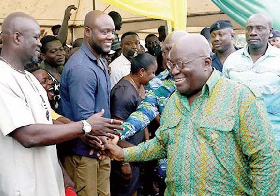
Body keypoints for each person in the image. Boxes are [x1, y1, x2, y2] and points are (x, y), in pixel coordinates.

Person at [106, 34, 279, 195]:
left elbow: (265, 161)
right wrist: (123, 154)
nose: (173, 71)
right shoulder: (173, 100)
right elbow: (163, 144)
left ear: (206, 63)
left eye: (181, 64)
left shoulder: (241, 98)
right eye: (171, 64)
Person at [0, 12, 121, 196]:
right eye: (36, 37)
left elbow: (47, 126)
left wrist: (62, 175)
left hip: (48, 184)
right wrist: (85, 126)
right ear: (17, 37)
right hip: (21, 188)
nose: (40, 43)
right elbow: (27, 135)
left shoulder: (29, 79)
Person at [59, 10, 116, 196]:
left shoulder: (97, 61)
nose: (110, 37)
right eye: (104, 32)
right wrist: (106, 142)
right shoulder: (81, 68)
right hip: (83, 155)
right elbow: (86, 121)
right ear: (88, 32)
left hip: (99, 151)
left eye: (112, 32)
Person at [223, 13, 280, 150]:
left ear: (270, 31)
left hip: (273, 140)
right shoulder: (232, 60)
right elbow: (223, 98)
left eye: (259, 28)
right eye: (249, 28)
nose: (253, 33)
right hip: (238, 140)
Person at [119, 30, 188, 140]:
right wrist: (116, 135)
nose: (168, 56)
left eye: (173, 50)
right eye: (165, 51)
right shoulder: (157, 83)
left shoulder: (210, 82)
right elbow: (144, 113)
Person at [110, 53, 157, 196]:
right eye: (152, 73)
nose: (154, 76)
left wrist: (146, 145)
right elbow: (116, 131)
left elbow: (142, 118)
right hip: (125, 157)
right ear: (141, 72)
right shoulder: (124, 94)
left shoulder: (140, 86)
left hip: (136, 155)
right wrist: (124, 162)